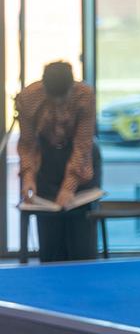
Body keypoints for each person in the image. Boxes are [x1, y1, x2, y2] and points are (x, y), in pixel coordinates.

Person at [15, 60, 101, 262]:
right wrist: (28, 177)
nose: (59, 105)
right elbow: (27, 144)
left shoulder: (85, 95)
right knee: (50, 231)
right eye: (54, 100)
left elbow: (82, 145)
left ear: (73, 86)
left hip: (82, 161)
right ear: (45, 89)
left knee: (80, 234)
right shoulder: (28, 98)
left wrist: (69, 186)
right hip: (46, 159)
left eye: (64, 99)